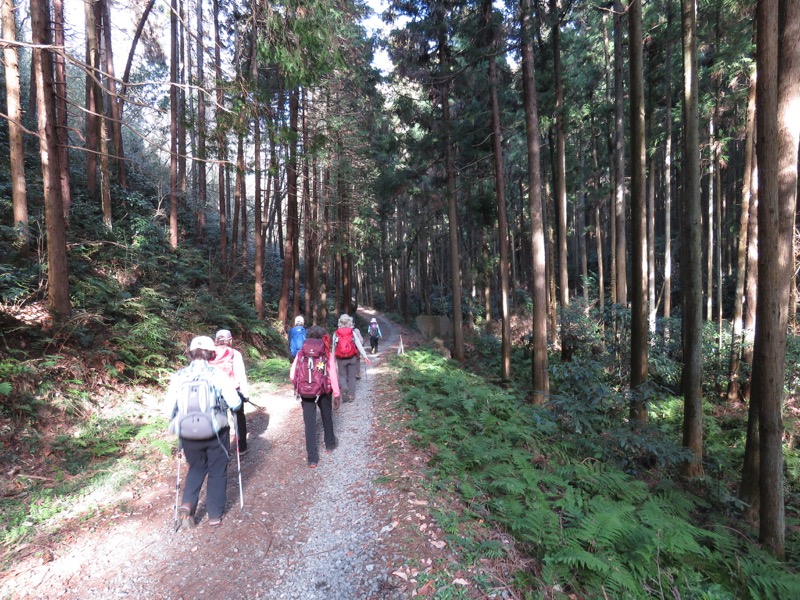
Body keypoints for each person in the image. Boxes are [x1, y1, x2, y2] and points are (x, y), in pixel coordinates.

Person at [165, 336, 241, 528]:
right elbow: (234, 402)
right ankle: (214, 514)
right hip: (214, 431)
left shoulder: (180, 375)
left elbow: (167, 409)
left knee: (197, 467)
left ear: (191, 353)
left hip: (187, 433)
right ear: (211, 353)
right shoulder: (216, 374)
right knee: (217, 469)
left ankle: (187, 506)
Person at [290, 325, 340, 468]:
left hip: (306, 392)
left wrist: (303, 385)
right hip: (324, 390)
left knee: (309, 423)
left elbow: (292, 375)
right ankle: (330, 444)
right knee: (326, 416)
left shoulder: (301, 352)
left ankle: (312, 458)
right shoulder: (326, 353)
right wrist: (336, 394)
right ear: (323, 336)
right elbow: (333, 375)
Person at [210, 329, 250, 455]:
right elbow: (240, 374)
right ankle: (241, 447)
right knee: (239, 418)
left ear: (216, 340)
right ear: (230, 340)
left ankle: (222, 449)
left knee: (220, 420)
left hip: (215, 393)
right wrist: (245, 393)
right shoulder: (234, 353)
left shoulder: (210, 354)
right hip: (234, 391)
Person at [333, 314, 370, 403]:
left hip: (340, 359)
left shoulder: (336, 333)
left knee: (342, 375)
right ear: (349, 322)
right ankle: (351, 395)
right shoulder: (352, 332)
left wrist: (333, 359)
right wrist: (365, 356)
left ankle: (344, 387)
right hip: (352, 357)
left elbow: (333, 347)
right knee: (352, 377)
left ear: (340, 322)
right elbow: (359, 345)